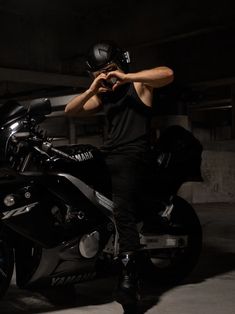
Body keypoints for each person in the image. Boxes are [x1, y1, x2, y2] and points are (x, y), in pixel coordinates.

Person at [65, 41, 174, 312]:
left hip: (133, 155)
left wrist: (127, 76)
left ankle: (129, 282)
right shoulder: (103, 96)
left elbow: (167, 73)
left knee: (122, 210)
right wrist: (93, 88)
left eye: (110, 70)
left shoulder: (138, 86)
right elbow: (71, 110)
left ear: (120, 65)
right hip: (108, 155)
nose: (107, 76)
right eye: (100, 73)